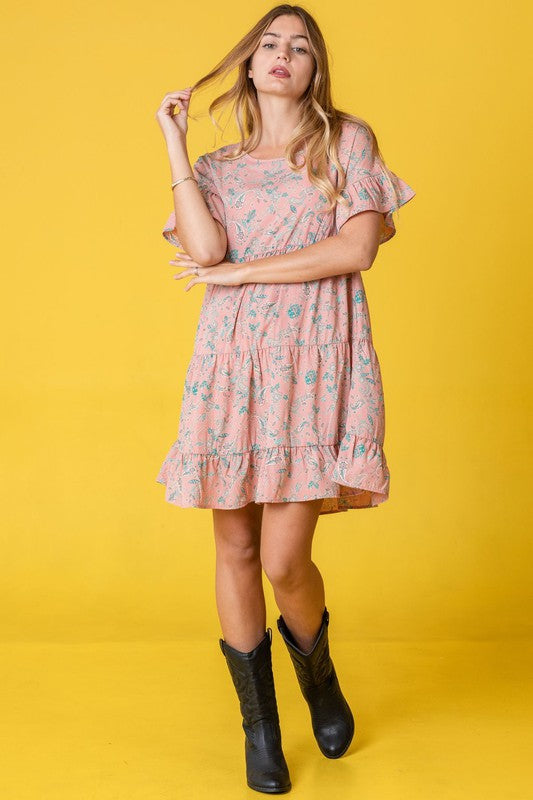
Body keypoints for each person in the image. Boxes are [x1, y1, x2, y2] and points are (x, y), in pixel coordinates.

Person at [154, 4, 415, 794]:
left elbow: (355, 247)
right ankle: (259, 730)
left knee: (282, 559)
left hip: (313, 364)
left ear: (314, 70)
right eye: (268, 43)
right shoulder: (221, 168)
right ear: (248, 63)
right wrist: (172, 141)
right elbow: (201, 249)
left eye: (299, 47)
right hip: (231, 368)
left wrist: (238, 273)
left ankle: (320, 678)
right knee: (232, 550)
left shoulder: (345, 141)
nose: (282, 55)